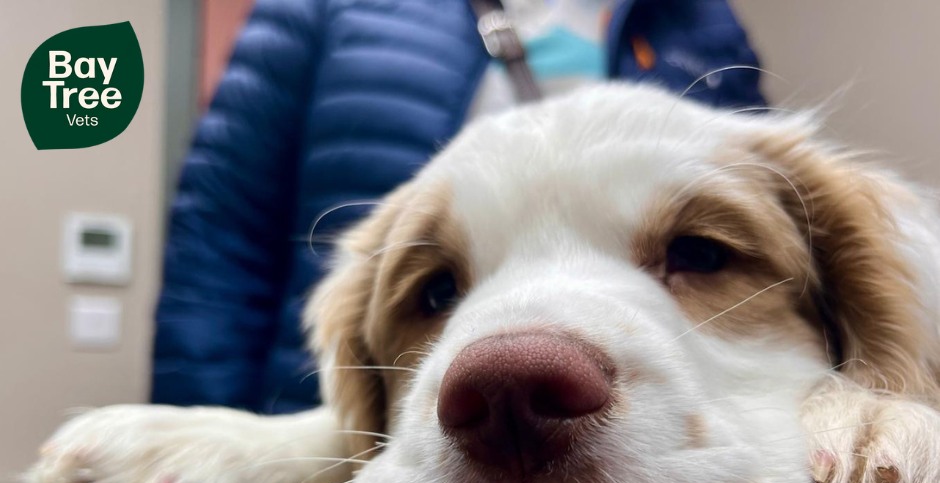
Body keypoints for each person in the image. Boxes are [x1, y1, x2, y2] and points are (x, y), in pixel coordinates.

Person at [152, 0, 765, 414]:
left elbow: (764, 230)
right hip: (333, 417)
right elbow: (220, 243)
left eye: (694, 254)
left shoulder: (698, 23)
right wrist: (207, 433)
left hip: (666, 458)